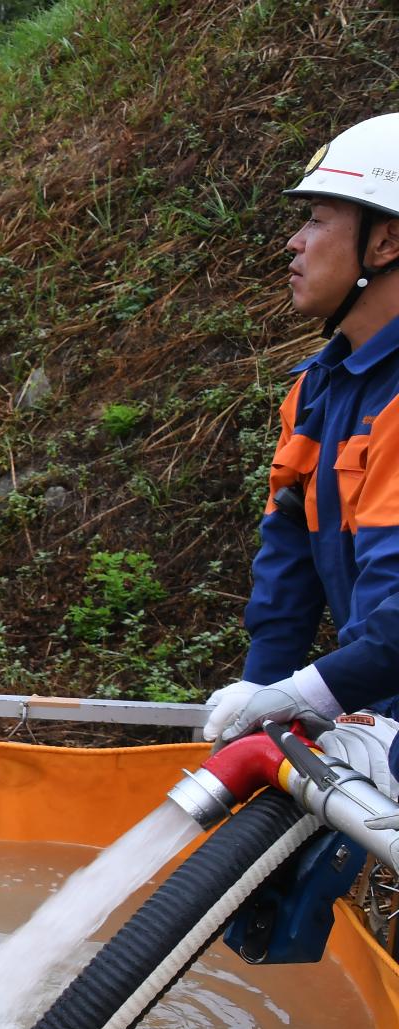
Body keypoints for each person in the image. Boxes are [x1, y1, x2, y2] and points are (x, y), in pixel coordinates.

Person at [204, 114, 399, 745]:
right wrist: (262, 692)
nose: (294, 241)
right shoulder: (321, 387)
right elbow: (289, 553)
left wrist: (314, 692)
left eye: (316, 219)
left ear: (387, 242)